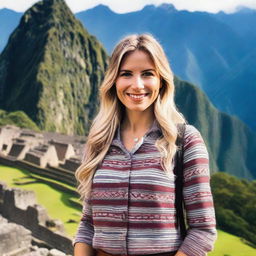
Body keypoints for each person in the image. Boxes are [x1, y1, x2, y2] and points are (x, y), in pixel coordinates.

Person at [74, 34, 217, 256]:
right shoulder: (99, 141)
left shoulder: (184, 141)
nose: (137, 85)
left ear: (161, 80)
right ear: (114, 80)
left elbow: (203, 231)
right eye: (126, 74)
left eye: (148, 74)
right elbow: (88, 223)